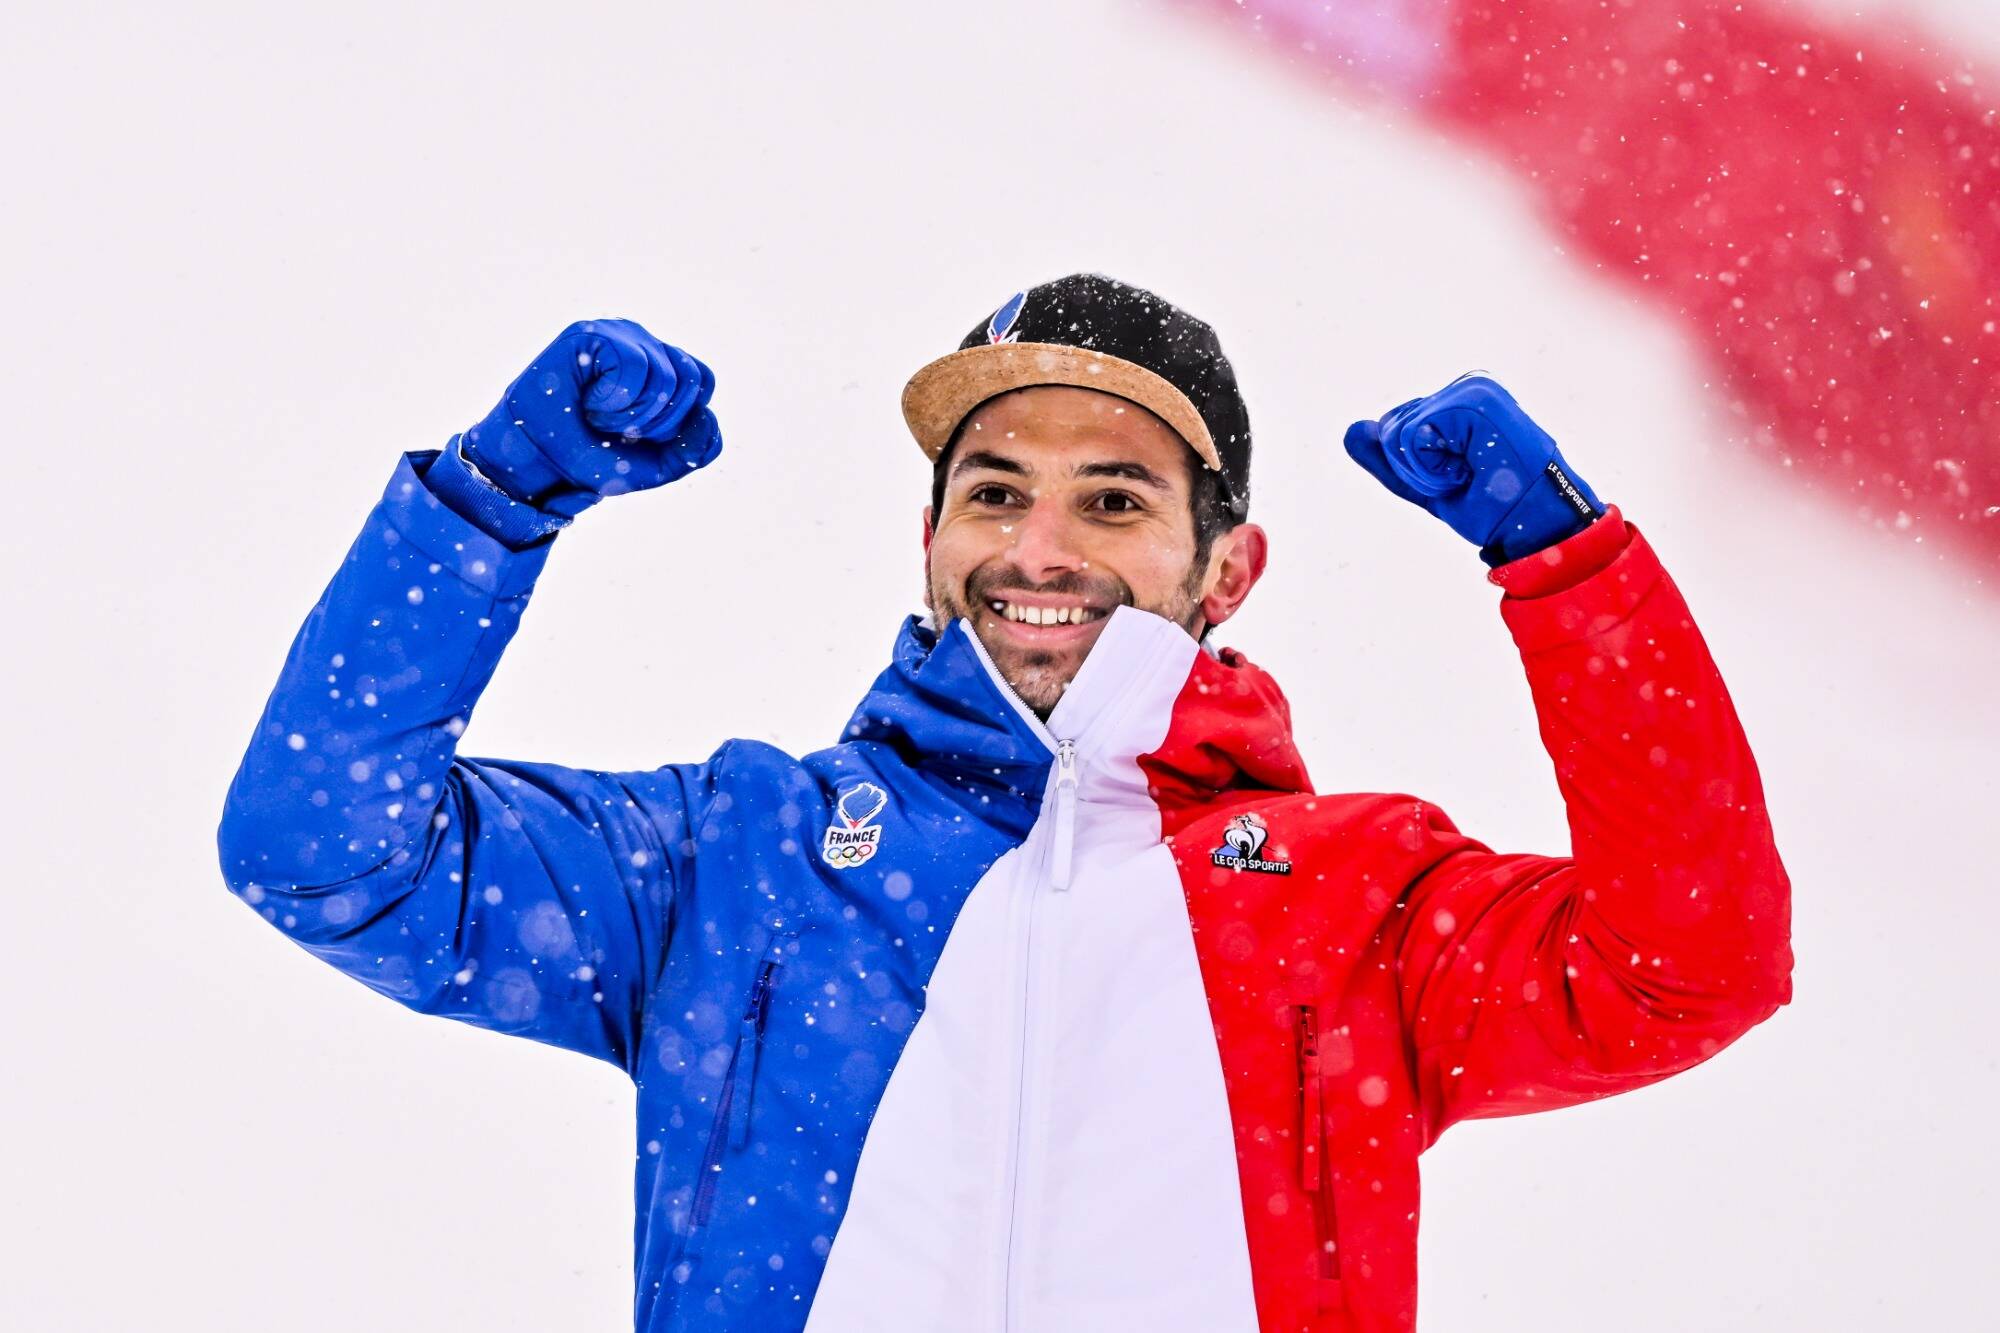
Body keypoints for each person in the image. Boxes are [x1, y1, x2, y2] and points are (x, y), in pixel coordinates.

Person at [218, 273, 1794, 1332]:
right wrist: (489, 508)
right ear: (928, 537)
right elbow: (325, 853)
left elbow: (1694, 960)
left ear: (1227, 567)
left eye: (1114, 498)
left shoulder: (1353, 898)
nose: (1041, 549)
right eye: (995, 492)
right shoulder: (742, 857)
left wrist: (1567, 567)